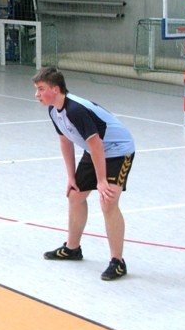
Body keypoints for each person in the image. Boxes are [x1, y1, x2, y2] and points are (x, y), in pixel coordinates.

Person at [32, 67, 136, 281]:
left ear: (55, 89)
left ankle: (117, 262)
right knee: (75, 195)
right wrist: (71, 177)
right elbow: (65, 141)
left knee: (108, 201)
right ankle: (72, 248)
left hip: (118, 150)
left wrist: (101, 181)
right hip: (96, 150)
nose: (37, 94)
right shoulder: (54, 110)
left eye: (41, 89)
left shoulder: (75, 110)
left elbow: (96, 144)